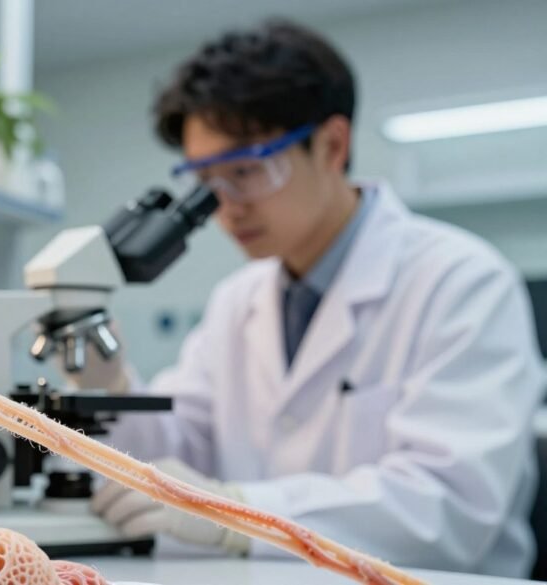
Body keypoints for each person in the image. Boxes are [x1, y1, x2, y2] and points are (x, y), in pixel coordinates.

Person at [66, 19, 547, 577]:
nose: (227, 207)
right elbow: (180, 453)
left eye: (247, 171)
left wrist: (240, 515)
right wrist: (113, 386)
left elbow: (451, 506)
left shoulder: (462, 281)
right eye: (207, 181)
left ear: (333, 145)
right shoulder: (237, 301)